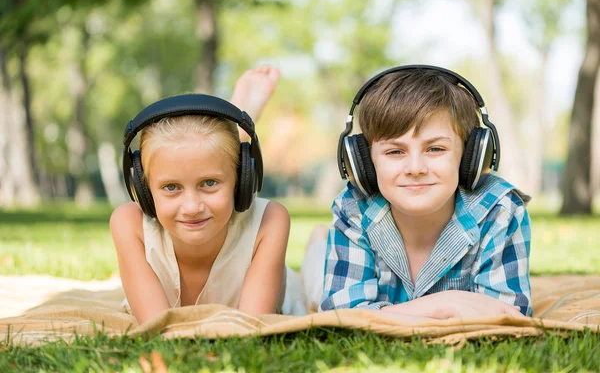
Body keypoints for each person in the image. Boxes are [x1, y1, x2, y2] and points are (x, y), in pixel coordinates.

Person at [319, 65, 532, 321]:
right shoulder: (353, 209)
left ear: (471, 156)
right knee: (312, 284)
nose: (416, 168)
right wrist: (442, 305)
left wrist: (392, 314)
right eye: (395, 152)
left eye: (435, 149)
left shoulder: (500, 210)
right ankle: (317, 244)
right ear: (364, 162)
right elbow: (339, 317)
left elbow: (507, 315)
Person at [110, 66, 307, 324]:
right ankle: (237, 128)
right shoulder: (128, 223)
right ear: (144, 190)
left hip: (291, 286)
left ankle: (316, 240)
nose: (192, 207)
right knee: (207, 154)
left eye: (209, 183)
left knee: (316, 282)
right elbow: (157, 327)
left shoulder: (270, 219)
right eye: (171, 187)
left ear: (242, 181)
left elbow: (249, 327)